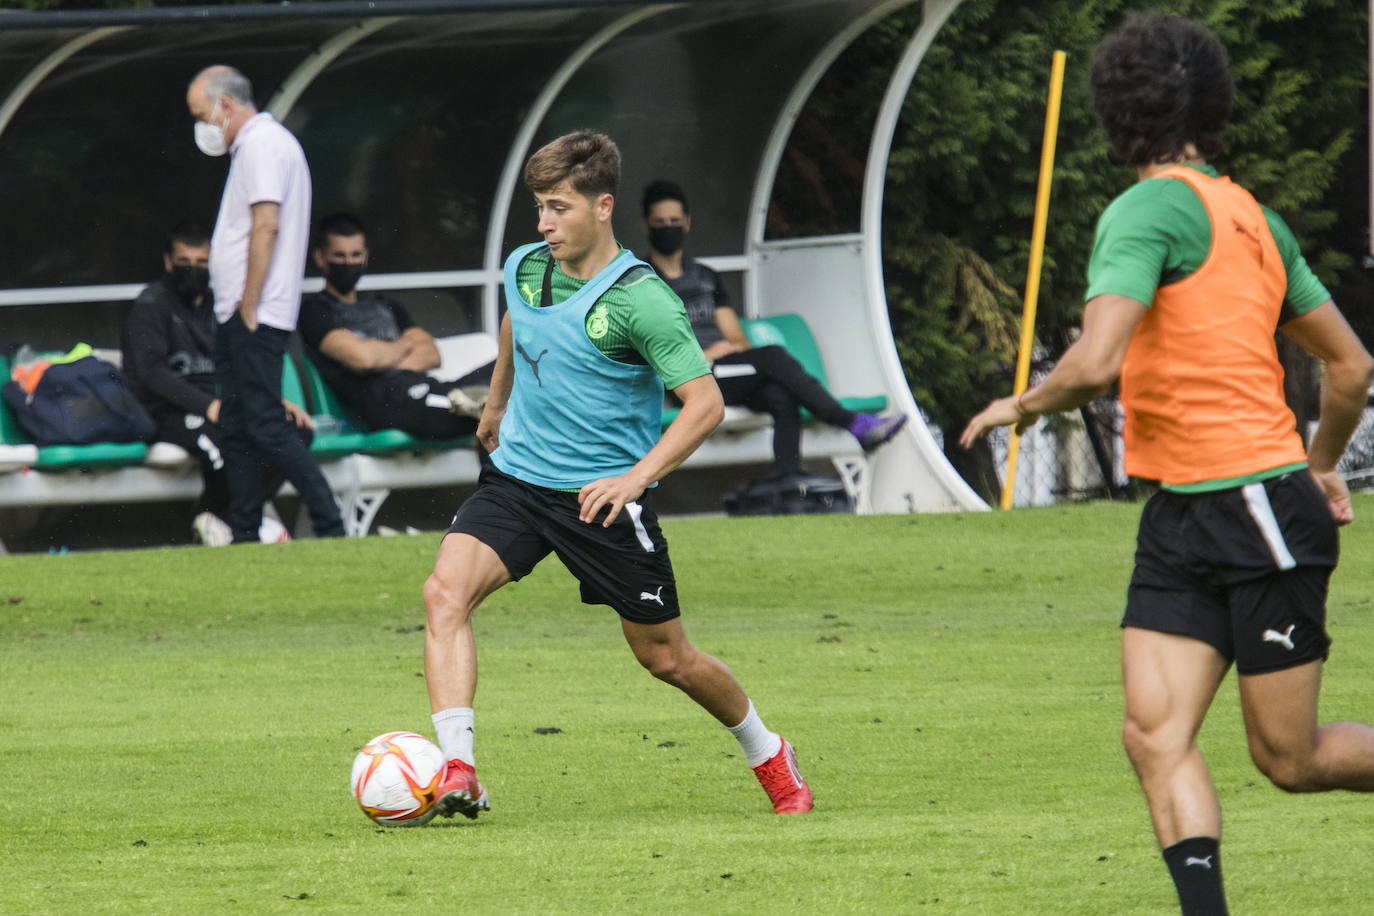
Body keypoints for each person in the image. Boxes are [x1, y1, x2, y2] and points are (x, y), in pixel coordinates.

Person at [960, 15, 1374, 916]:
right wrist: (1328, 462)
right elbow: (1350, 367)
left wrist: (1022, 404)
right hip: (1182, 512)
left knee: (1290, 760)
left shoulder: (1144, 209)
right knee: (1155, 735)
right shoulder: (1254, 218)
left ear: (1116, 108)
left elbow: (1097, 361)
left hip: (1256, 501)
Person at [420, 132, 812, 822]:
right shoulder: (526, 265)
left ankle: (769, 752)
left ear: (603, 207)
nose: (544, 224)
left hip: (601, 500)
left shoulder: (642, 300)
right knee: (443, 595)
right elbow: (519, 321)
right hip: (517, 482)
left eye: (559, 208)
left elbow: (706, 404)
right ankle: (459, 770)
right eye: (539, 208)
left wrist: (636, 480)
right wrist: (498, 398)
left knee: (666, 658)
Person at [641, 179, 907, 480]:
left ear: (687, 223)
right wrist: (703, 355)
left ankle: (788, 479)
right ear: (646, 226)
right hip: (688, 379)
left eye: (674, 221)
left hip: (727, 369)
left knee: (779, 394)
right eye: (660, 222)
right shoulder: (643, 281)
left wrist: (721, 351)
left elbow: (737, 339)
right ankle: (853, 424)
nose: (668, 228)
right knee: (773, 358)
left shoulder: (706, 277)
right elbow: (650, 344)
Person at [186, 65, 344, 544]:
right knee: (236, 425)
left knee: (264, 424)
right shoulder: (259, 145)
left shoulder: (261, 144)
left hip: (252, 310)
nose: (202, 125)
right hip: (240, 310)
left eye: (201, 114)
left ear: (225, 105)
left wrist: (248, 303)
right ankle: (246, 529)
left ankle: (329, 523)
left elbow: (266, 225)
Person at [122, 222, 312, 546]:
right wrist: (208, 406)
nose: (192, 270)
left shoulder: (220, 305)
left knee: (294, 432)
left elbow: (242, 363)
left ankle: (220, 521)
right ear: (168, 262)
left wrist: (273, 401)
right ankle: (220, 521)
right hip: (167, 412)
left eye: (200, 263)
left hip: (222, 405)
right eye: (184, 262)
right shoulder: (150, 306)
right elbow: (152, 374)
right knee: (227, 447)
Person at [297, 213, 491, 439]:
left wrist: (382, 355)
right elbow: (364, 359)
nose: (349, 263)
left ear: (366, 256)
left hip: (425, 390)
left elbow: (431, 354)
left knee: (509, 368)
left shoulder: (386, 305)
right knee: (482, 409)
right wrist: (407, 343)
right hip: (385, 403)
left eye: (356, 255)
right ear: (320, 258)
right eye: (340, 256)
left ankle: (485, 400)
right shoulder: (315, 310)